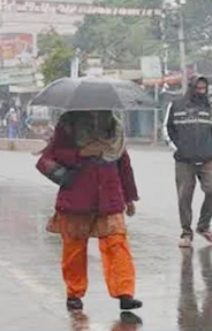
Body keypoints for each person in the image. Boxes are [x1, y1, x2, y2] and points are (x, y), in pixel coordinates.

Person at [41, 111, 142, 312]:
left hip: (109, 195)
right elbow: (52, 155)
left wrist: (129, 196)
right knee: (74, 248)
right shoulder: (68, 124)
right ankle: (74, 293)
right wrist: (81, 153)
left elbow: (123, 163)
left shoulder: (115, 127)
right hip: (78, 196)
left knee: (117, 243)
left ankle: (125, 293)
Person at [163, 76, 212, 248]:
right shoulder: (176, 106)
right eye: (198, 88)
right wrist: (178, 149)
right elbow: (167, 130)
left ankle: (204, 226)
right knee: (184, 197)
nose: (201, 91)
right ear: (191, 88)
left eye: (204, 89)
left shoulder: (210, 107)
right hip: (184, 161)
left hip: (207, 159)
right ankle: (186, 233)